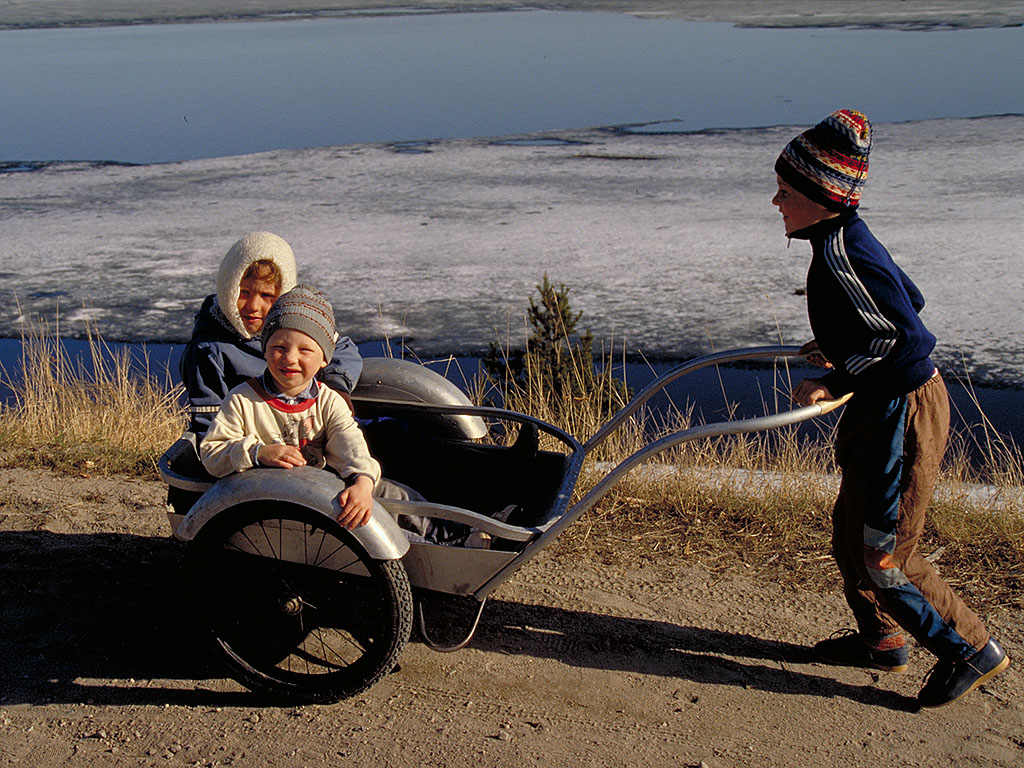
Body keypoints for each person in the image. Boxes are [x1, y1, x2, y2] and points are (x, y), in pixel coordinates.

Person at [773, 109, 1008, 708]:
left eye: (786, 190)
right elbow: (911, 299)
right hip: (885, 406)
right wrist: (845, 345)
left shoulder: (841, 253)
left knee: (883, 551)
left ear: (821, 198)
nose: (775, 200)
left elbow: (905, 341)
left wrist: (837, 375)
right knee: (851, 529)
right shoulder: (842, 240)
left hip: (902, 411)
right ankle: (882, 640)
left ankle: (971, 648)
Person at [200, 285, 468, 542]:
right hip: (272, 502)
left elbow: (349, 442)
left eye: (305, 350)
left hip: (322, 488)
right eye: (279, 347)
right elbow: (212, 453)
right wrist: (258, 453)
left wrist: (362, 480)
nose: (290, 358)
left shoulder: (328, 401)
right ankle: (442, 553)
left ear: (324, 359)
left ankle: (462, 534)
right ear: (266, 349)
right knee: (367, 520)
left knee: (392, 494)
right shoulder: (243, 399)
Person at [179, 231, 362, 435]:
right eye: (243, 292)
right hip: (255, 445)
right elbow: (210, 427)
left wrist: (336, 387)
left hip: (309, 430)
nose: (253, 306)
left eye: (267, 295)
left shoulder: (292, 325)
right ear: (227, 288)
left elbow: (342, 348)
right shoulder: (209, 350)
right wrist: (255, 452)